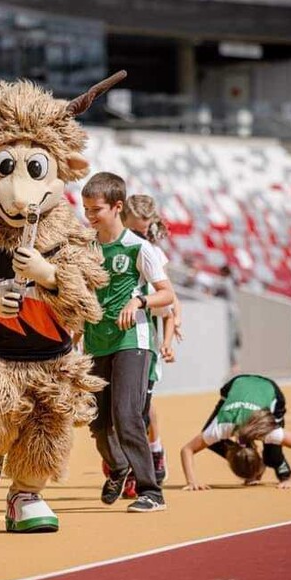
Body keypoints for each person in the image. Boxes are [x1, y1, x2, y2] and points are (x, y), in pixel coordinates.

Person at [82, 173, 176, 513]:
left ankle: (151, 491)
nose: (89, 216)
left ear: (117, 207)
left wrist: (138, 302)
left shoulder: (141, 248)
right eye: (86, 209)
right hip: (95, 341)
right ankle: (119, 469)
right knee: (96, 420)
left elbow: (167, 294)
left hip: (132, 341)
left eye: (96, 209)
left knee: (127, 414)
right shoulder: (85, 248)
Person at [119, 194, 182, 495]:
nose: (139, 236)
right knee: (122, 406)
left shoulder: (150, 251)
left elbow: (169, 298)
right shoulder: (113, 244)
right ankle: (134, 458)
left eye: (143, 231)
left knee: (139, 409)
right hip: (112, 338)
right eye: (135, 230)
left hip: (144, 340)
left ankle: (147, 457)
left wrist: (170, 334)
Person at [180, 374, 291, 489]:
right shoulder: (220, 428)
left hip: (270, 389)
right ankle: (251, 465)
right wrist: (192, 481)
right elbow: (187, 450)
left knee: (272, 456)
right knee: (210, 440)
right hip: (236, 383)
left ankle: (280, 464)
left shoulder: (267, 431)